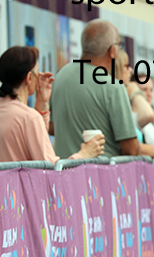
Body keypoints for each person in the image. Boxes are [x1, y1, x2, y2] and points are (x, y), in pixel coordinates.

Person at [0, 46, 104, 163]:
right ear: (29, 77)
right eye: (37, 73)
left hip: (0, 182)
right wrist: (84, 154)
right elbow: (52, 170)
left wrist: (42, 104)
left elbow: (34, 137)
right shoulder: (29, 117)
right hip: (26, 183)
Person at [50, 19, 140, 158]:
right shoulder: (113, 87)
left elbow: (51, 127)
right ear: (113, 51)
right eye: (118, 45)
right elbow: (131, 149)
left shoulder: (61, 76)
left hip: (63, 173)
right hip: (100, 176)